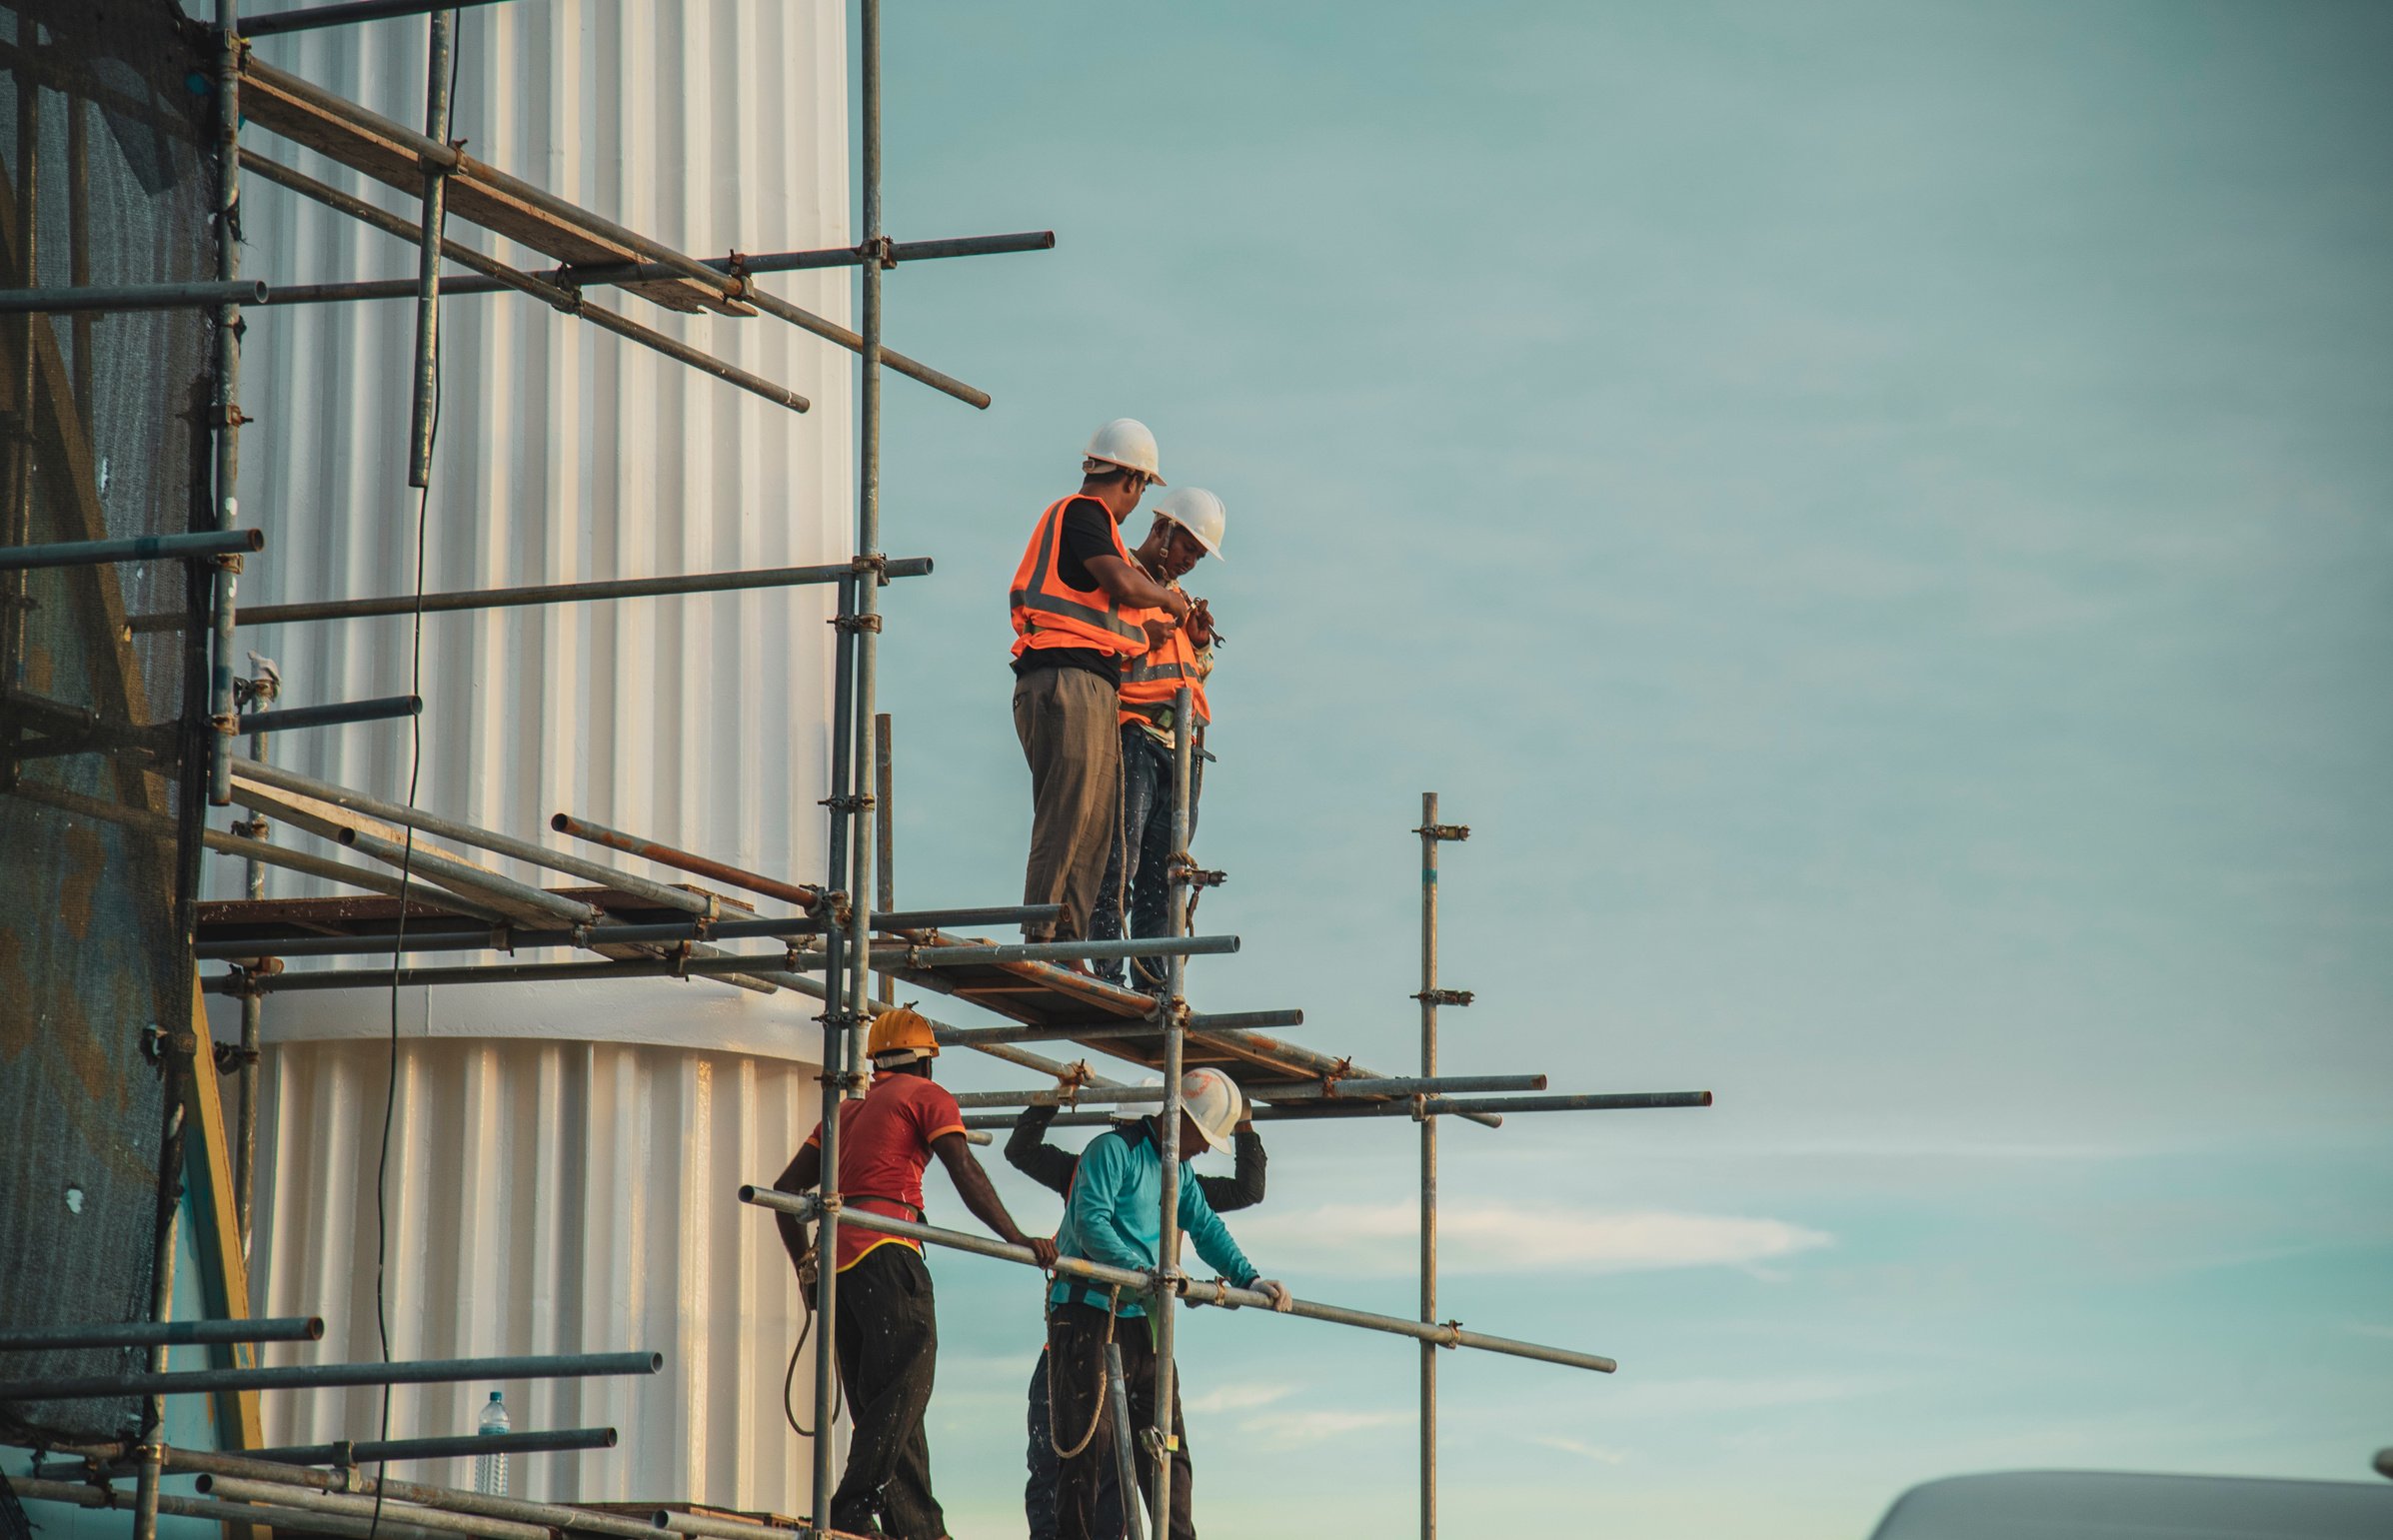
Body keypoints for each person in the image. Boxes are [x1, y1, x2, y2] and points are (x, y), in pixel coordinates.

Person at [771, 1006, 1061, 1539]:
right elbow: (965, 1169)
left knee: (885, 1404)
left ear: (877, 1060)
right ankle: (851, 1508)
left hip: (840, 1266)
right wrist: (1016, 1237)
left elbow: (785, 1196)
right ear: (926, 1063)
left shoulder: (844, 1113)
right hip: (889, 1250)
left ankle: (918, 1529)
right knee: (907, 1386)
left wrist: (807, 1269)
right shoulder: (925, 1096)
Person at [1044, 1068, 1291, 1540]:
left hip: (1144, 1321)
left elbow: (1206, 1228)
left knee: (1167, 1454)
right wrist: (1143, 1271)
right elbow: (1091, 1222)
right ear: (1180, 1119)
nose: (1204, 1148)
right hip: (1089, 1315)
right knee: (1084, 1451)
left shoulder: (1180, 1170)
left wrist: (1250, 1278)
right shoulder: (1111, 1153)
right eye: (1204, 1137)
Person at [1011, 419, 1193, 951]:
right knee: (1067, 813)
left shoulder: (1096, 529)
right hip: (1064, 680)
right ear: (1134, 480)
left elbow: (1104, 611)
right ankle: (1042, 937)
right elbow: (1118, 581)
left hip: (1086, 682)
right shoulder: (1084, 513)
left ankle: (1069, 942)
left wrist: (1154, 628)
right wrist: (1166, 600)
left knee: (1094, 827)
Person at [1090, 489, 1226, 991]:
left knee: (1162, 876)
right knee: (1119, 857)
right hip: (1135, 734)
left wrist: (1199, 641)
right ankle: (1106, 969)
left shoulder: (1177, 597)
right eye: (1188, 547)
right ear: (1162, 530)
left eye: (1198, 554)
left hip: (1182, 746)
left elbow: (1192, 673)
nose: (1191, 561)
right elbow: (1108, 645)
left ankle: (1151, 980)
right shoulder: (1120, 574)